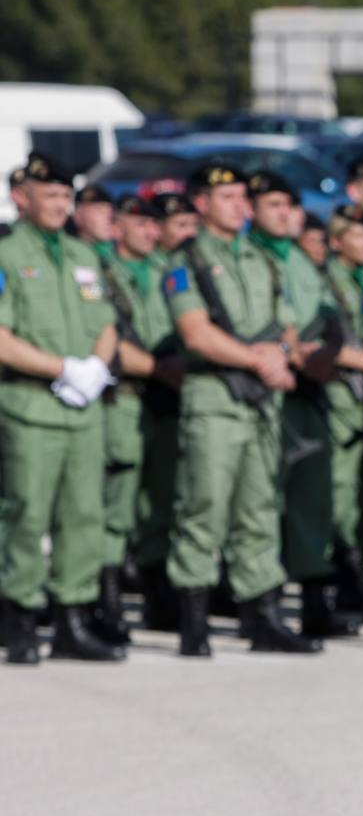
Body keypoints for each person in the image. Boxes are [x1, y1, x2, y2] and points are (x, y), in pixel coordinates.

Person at [163, 163, 321, 657]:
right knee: (204, 506)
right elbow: (195, 332)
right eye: (227, 196)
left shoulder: (264, 259)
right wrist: (260, 359)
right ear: (202, 203)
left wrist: (282, 355)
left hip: (260, 402)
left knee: (259, 509)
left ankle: (262, 616)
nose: (240, 204)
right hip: (214, 399)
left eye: (241, 195)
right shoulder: (184, 261)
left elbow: (288, 325)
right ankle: (194, 619)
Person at [0, 152, 122, 663]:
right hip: (31, 405)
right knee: (27, 515)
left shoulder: (82, 254)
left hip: (83, 409)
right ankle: (20, 616)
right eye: (47, 195)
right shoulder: (7, 256)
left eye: (63, 196)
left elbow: (106, 322)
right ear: (19, 197)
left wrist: (96, 366)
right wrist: (61, 370)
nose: (58, 204)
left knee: (84, 516)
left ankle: (73, 616)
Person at [247, 171, 360, 638]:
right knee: (262, 502)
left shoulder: (297, 257)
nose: (286, 215)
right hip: (266, 390)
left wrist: (327, 352)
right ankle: (262, 603)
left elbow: (324, 319)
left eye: (290, 206)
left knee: (313, 498)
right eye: (274, 205)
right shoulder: (249, 256)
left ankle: (315, 601)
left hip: (311, 389)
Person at [94, 194, 177, 646]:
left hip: (163, 401)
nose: (149, 231)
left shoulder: (169, 273)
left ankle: (159, 596)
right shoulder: (102, 273)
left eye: (154, 224)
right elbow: (102, 335)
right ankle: (106, 600)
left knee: (160, 505)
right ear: (118, 225)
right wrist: (158, 367)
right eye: (140, 223)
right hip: (123, 399)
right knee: (116, 507)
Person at [134, 192, 195, 631]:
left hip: (183, 390)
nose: (186, 233)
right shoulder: (145, 271)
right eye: (177, 224)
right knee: (136, 503)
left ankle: (168, 592)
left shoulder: (188, 270)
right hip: (138, 390)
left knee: (175, 496)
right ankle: (146, 592)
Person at [316, 204, 363, 608]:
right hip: (341, 396)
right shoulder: (326, 283)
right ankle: (341, 573)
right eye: (355, 235)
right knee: (339, 491)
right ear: (336, 242)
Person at [72, 184, 116, 261]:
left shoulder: (118, 258)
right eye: (99, 210)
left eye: (110, 212)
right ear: (78, 216)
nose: (109, 217)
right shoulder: (66, 254)